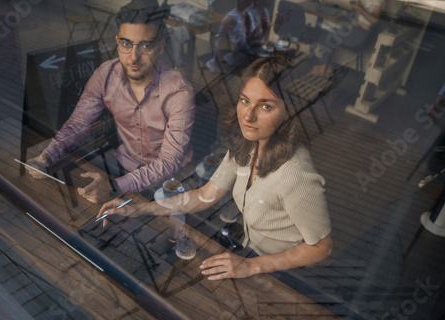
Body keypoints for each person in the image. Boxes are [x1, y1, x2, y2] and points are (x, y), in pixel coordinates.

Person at [98, 56, 333, 280]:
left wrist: (252, 266)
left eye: (265, 106)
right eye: (245, 101)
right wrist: (139, 208)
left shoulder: (295, 173)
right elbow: (205, 195)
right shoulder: (248, 144)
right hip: (250, 254)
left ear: (289, 111)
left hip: (286, 273)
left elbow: (321, 248)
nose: (248, 116)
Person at [26, 0, 196, 203]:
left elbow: (169, 162)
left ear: (160, 47)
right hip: (124, 164)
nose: (133, 57)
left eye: (145, 45)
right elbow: (78, 124)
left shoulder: (179, 92)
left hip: (171, 179)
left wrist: (114, 186)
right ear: (117, 42)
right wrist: (47, 156)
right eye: (126, 44)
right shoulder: (105, 75)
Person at [311, 0, 384, 77]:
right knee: (328, 32)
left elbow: (375, 20)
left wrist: (359, 9)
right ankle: (327, 67)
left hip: (360, 36)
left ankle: (326, 67)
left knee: (327, 35)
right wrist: (356, 5)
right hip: (357, 30)